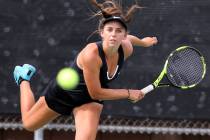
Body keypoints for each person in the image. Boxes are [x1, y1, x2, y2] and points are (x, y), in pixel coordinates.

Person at [13, 0, 158, 140]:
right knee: (29, 124)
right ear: (102, 33)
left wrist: (144, 43)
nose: (113, 34)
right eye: (109, 30)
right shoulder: (91, 55)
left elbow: (131, 40)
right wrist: (128, 93)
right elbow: (96, 91)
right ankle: (23, 78)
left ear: (124, 35)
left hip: (89, 100)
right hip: (65, 93)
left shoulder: (126, 48)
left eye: (119, 31)